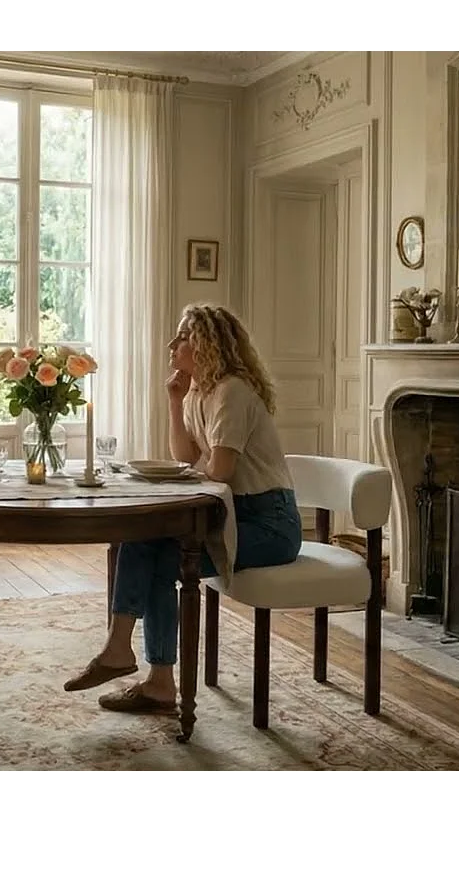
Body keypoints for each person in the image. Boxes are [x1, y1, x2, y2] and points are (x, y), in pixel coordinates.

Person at [63, 304, 303, 713]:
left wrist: (197, 467)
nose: (172, 345)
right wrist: (175, 401)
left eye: (183, 337)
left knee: (159, 558)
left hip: (270, 524)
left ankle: (150, 675)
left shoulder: (232, 391)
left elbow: (219, 470)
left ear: (206, 345)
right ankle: (127, 657)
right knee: (141, 539)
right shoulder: (199, 390)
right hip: (229, 513)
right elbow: (187, 455)